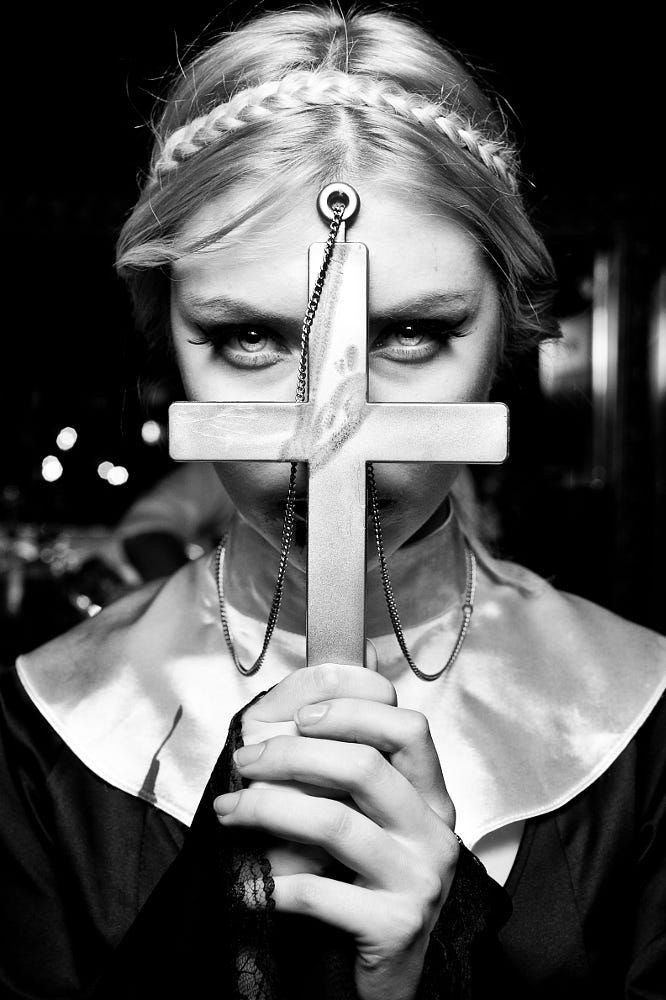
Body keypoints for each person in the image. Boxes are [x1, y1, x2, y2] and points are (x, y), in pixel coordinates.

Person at [2, 6, 665, 998]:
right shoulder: (44, 730)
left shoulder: (643, 716)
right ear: (165, 333)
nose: (329, 426)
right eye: (248, 338)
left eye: (412, 332)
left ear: (508, 330)